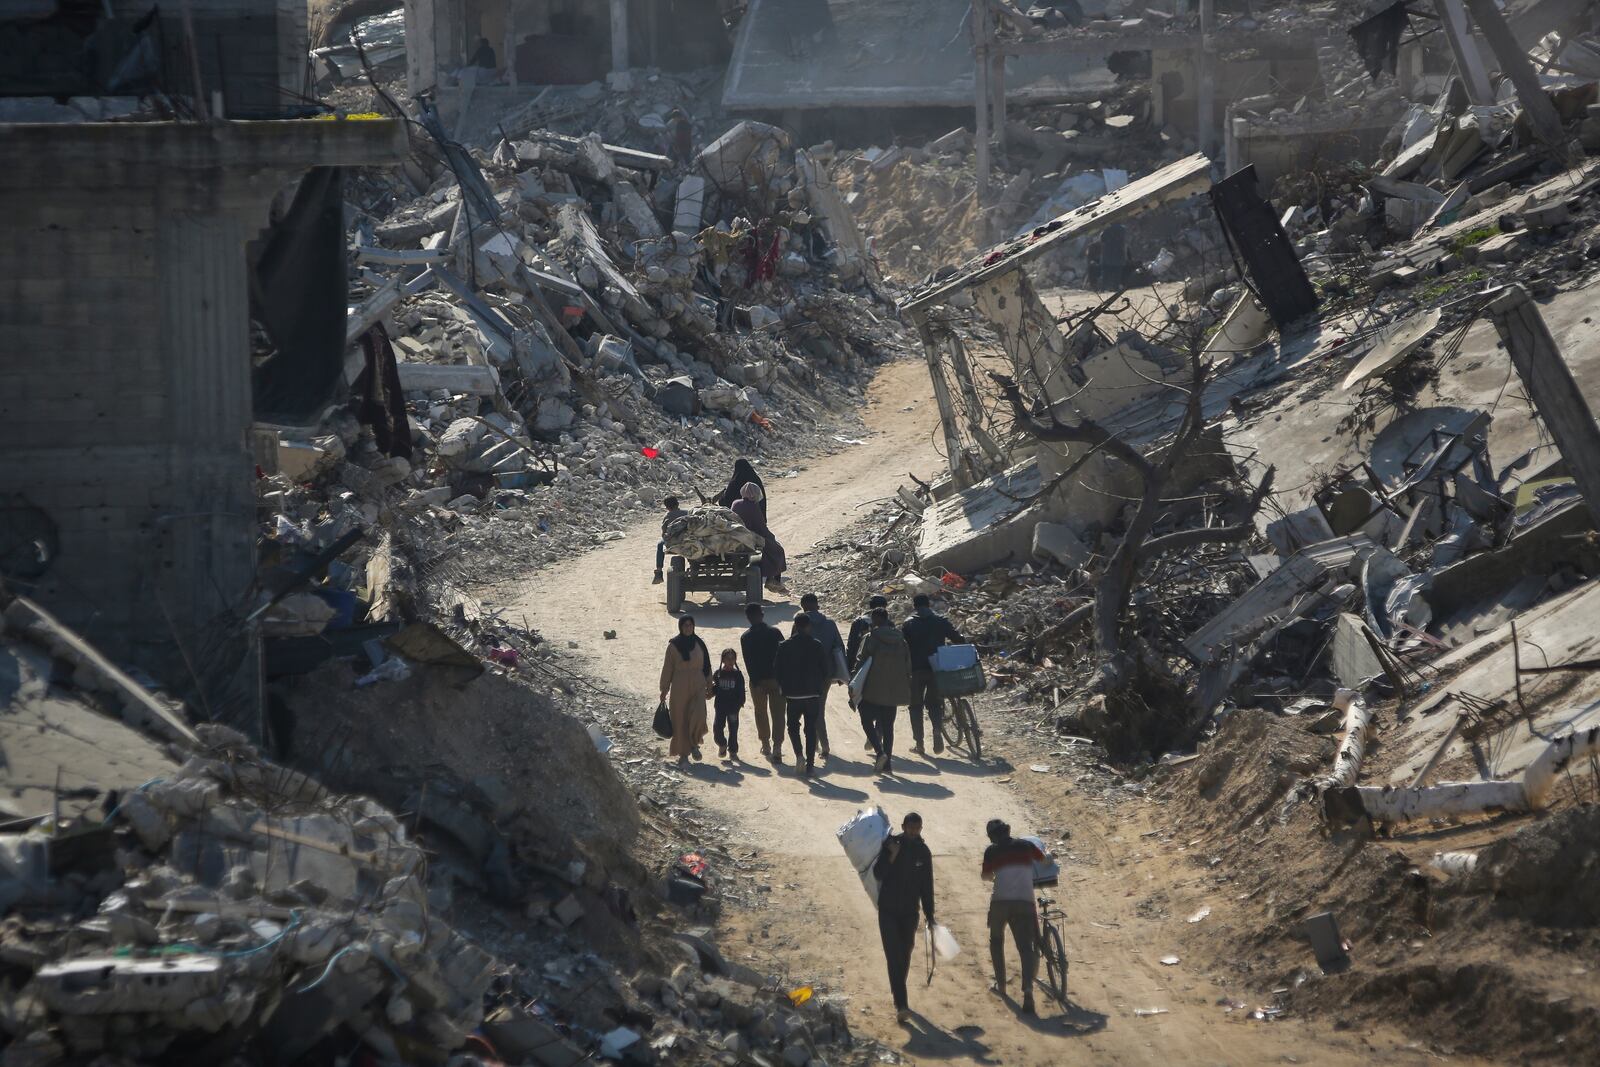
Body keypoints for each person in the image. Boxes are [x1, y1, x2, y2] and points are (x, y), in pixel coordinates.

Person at [873, 812, 935, 1024]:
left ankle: (898, 990)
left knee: (905, 953)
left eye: (917, 828)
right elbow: (878, 874)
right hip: (888, 910)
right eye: (910, 828)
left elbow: (927, 886)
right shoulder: (892, 844)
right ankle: (902, 1004)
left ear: (921, 828)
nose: (913, 832)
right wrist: (892, 855)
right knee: (894, 955)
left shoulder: (923, 852)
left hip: (910, 912)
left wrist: (930, 914)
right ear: (903, 826)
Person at [982, 819, 1045, 1016]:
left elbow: (985, 876)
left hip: (1000, 901)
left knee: (996, 940)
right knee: (1025, 947)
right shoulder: (1026, 845)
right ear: (1008, 831)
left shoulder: (991, 851)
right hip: (1025, 901)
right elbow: (1042, 860)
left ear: (992, 837)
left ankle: (1001, 985)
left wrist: (995, 875)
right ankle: (1027, 990)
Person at [901, 593, 968, 756]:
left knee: (915, 706)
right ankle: (937, 730)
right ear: (929, 605)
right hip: (937, 668)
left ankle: (920, 744)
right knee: (934, 704)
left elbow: (902, 647)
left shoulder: (908, 624)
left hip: (916, 670)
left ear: (914, 606)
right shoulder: (941, 621)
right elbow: (957, 638)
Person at [773, 613, 829, 777]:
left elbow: (777, 670)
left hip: (793, 695)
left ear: (795, 626)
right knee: (810, 729)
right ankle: (810, 764)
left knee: (793, 727)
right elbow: (825, 670)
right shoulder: (817, 645)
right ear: (808, 626)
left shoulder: (784, 646)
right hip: (812, 695)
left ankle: (799, 755)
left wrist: (783, 686)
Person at [858, 608, 913, 774]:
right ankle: (887, 763)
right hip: (893, 689)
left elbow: (861, 661)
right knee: (888, 727)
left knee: (866, 720)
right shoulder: (901, 640)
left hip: (872, 689)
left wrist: (854, 682)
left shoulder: (870, 638)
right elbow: (907, 666)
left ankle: (879, 752)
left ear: (875, 620)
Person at [796, 593, 846, 759]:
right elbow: (839, 648)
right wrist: (840, 674)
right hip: (826, 674)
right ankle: (820, 744)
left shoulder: (799, 624)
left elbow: (792, 647)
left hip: (804, 674)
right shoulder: (830, 624)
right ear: (817, 605)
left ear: (803, 607)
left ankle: (818, 744)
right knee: (819, 709)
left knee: (808, 710)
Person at [658, 615, 710, 767]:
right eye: (685, 625)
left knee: (699, 714)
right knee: (680, 719)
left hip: (698, 682)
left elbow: (707, 665)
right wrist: (664, 689)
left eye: (690, 625)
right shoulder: (673, 646)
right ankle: (684, 754)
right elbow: (667, 668)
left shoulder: (699, 643)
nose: (688, 628)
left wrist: (709, 684)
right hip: (680, 685)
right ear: (680, 627)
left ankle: (694, 743)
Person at [740, 603, 786, 761]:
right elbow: (783, 657)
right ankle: (777, 746)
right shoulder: (775, 632)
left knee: (761, 713)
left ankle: (765, 744)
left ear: (748, 618)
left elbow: (749, 662)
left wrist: (756, 682)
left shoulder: (746, 637)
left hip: (758, 682)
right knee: (778, 714)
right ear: (762, 614)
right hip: (776, 680)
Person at [846, 593, 890, 754]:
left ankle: (872, 733)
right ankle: (878, 732)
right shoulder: (889, 624)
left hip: (863, 671)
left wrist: (850, 671)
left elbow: (851, 648)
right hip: (885, 670)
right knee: (883, 702)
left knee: (865, 703)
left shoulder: (859, 622)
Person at [731, 483, 788, 595]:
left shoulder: (735, 503)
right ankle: (772, 580)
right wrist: (770, 537)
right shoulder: (753, 507)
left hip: (733, 535)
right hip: (748, 537)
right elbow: (760, 527)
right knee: (777, 549)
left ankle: (772, 579)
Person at [711, 648, 746, 761]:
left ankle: (733, 751)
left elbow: (741, 691)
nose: (730, 661)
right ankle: (722, 744)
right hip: (720, 706)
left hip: (733, 707)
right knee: (717, 728)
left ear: (735, 660)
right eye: (728, 659)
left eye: (732, 659)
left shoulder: (738, 675)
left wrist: (740, 703)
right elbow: (714, 689)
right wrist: (709, 692)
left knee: (733, 730)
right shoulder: (718, 674)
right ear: (723, 660)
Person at [653, 495, 687, 585]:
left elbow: (664, 532)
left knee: (660, 545)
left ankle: (659, 572)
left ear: (667, 507)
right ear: (678, 504)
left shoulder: (667, 516)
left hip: (673, 542)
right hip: (687, 540)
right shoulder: (686, 513)